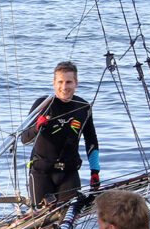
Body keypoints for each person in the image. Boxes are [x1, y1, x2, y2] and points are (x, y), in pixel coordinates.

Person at [21, 61, 101, 206]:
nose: (64, 87)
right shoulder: (43, 104)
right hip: (41, 172)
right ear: (54, 83)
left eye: (69, 82)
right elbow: (24, 139)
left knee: (68, 221)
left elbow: (91, 141)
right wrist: (37, 128)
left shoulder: (84, 107)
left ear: (76, 83)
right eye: (60, 82)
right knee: (41, 222)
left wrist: (95, 171)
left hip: (69, 172)